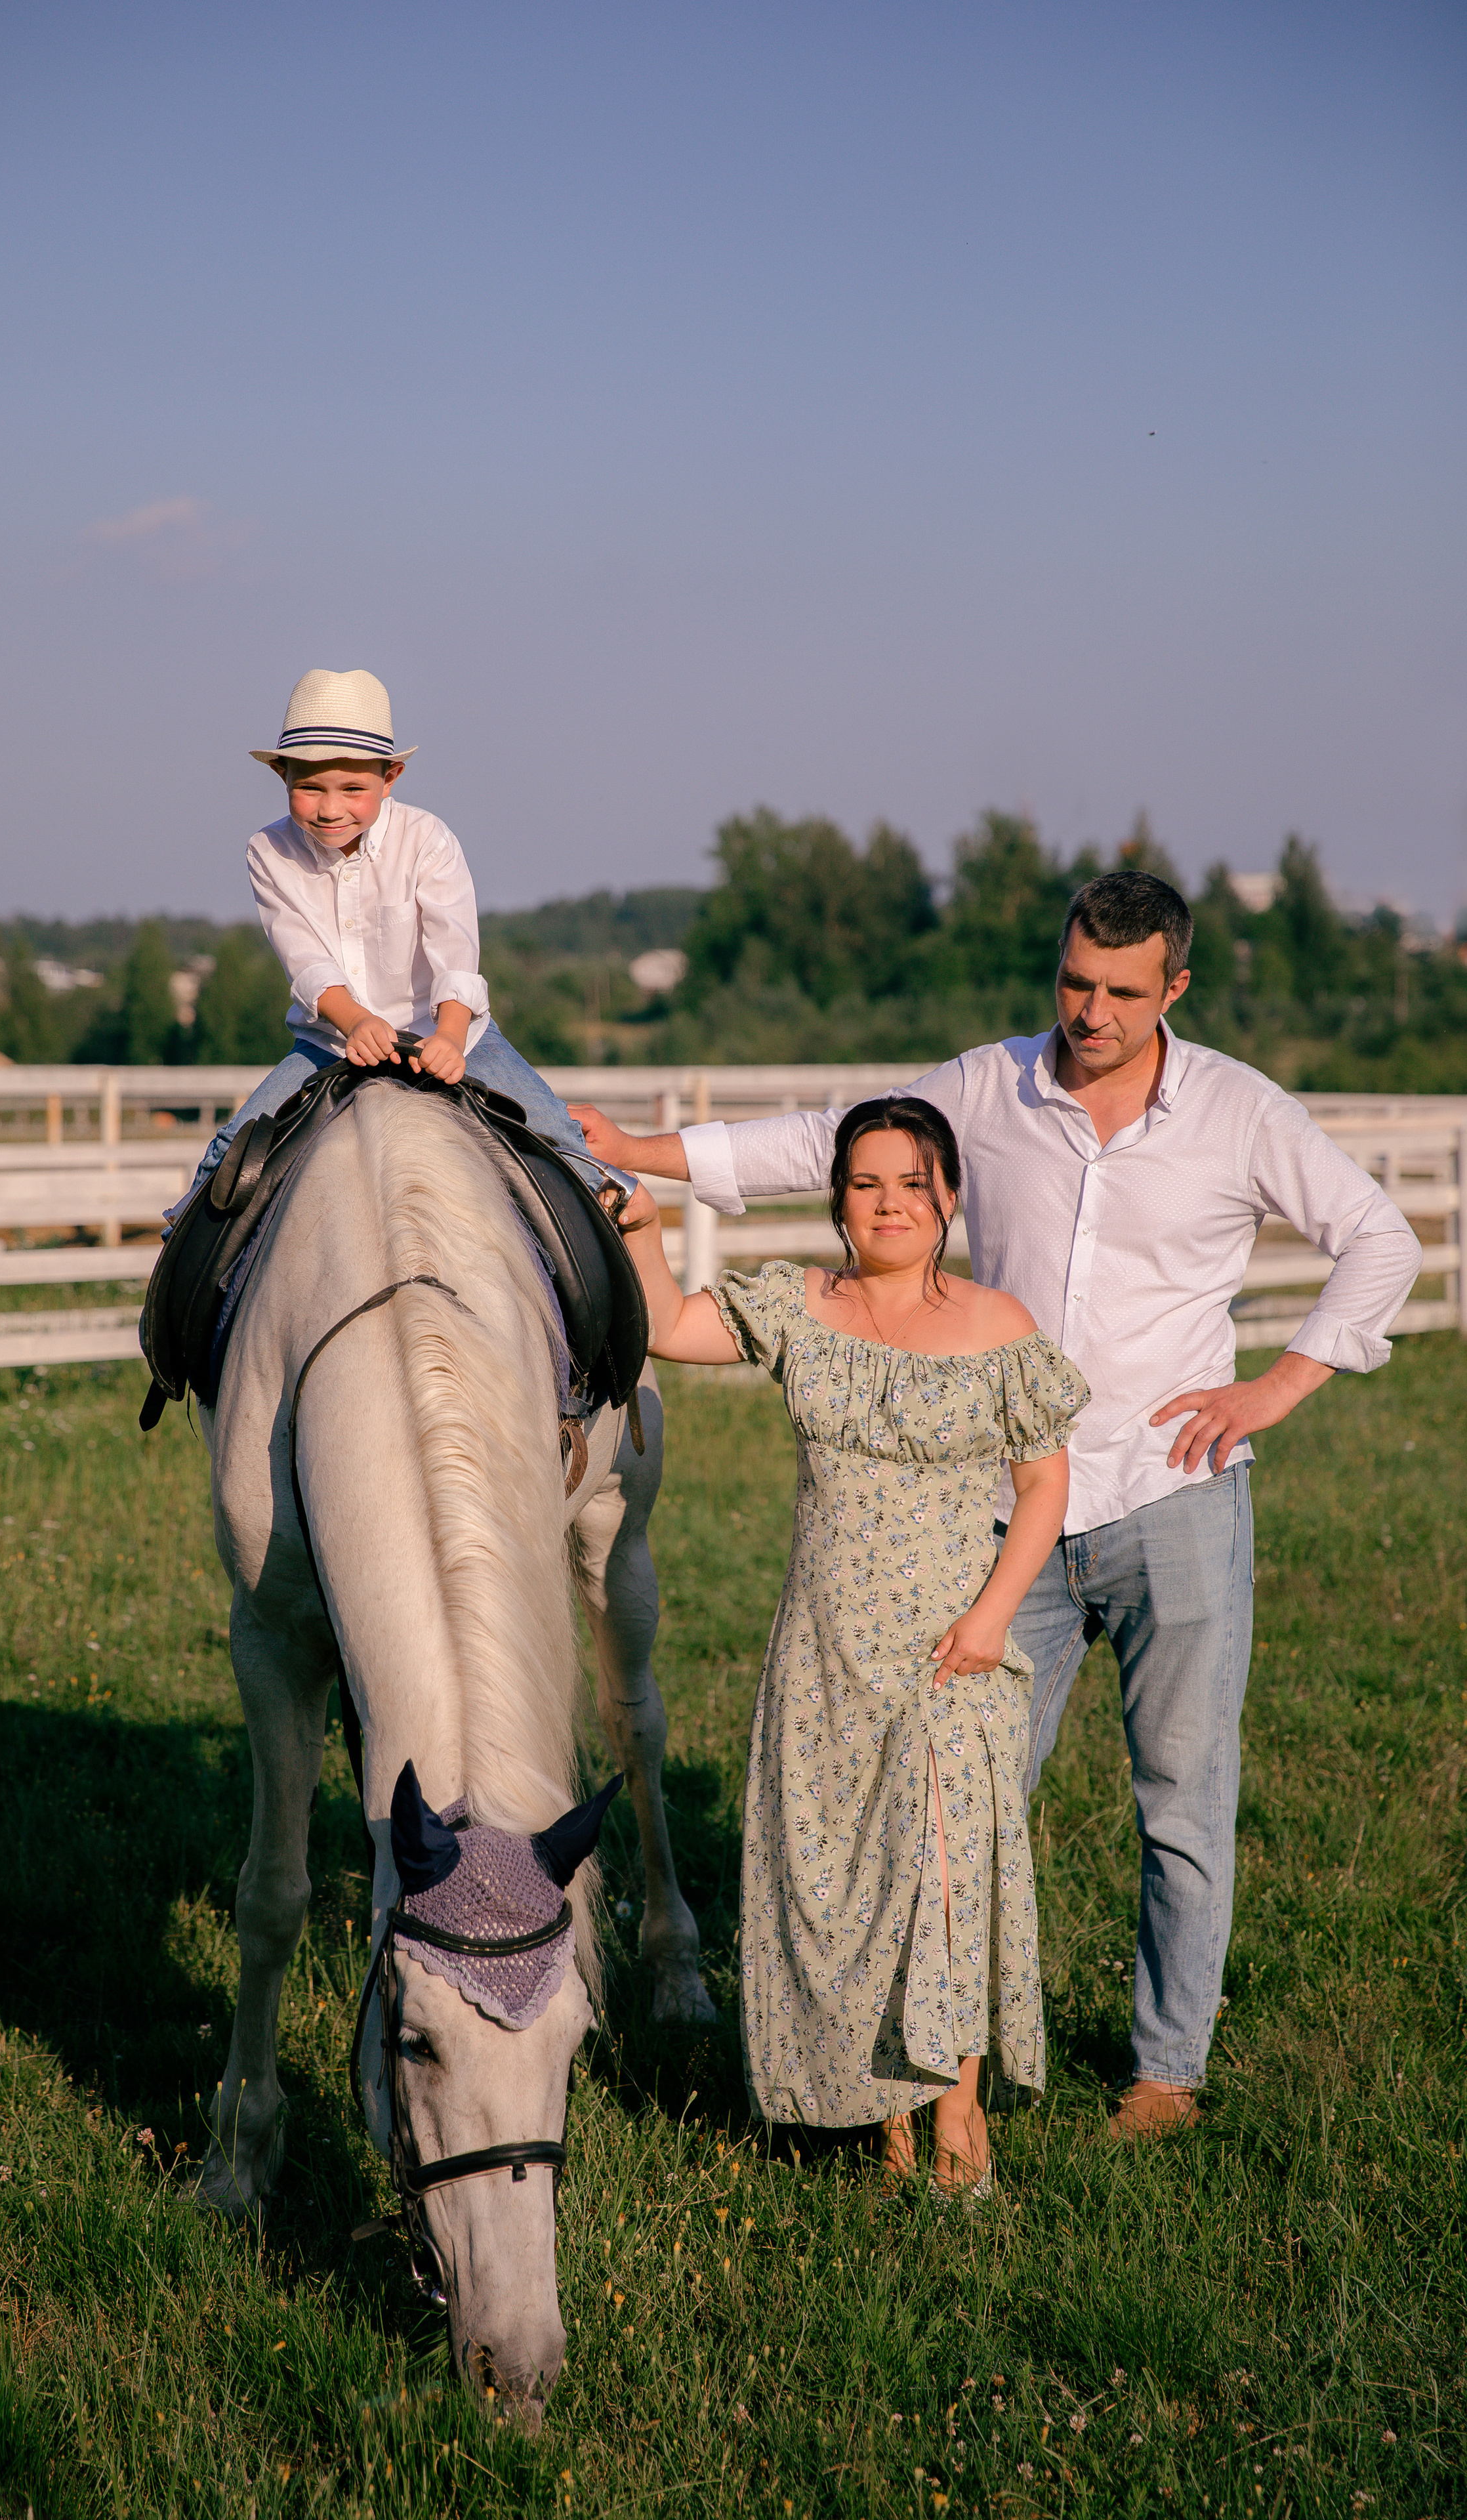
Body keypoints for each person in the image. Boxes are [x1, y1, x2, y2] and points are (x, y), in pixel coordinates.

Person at [577, 870, 1423, 2137]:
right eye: (1076, 980)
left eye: (1122, 992)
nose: (1090, 1010)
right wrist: (647, 1156)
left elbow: (1381, 1240)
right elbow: (831, 1141)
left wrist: (1280, 1386)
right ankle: (921, 2074)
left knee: (1182, 1796)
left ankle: (1165, 2069)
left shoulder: (1241, 1113)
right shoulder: (991, 1088)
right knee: (954, 1817)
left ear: (1174, 990)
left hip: (1171, 1499)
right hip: (992, 1533)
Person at [620, 1098, 1088, 2195]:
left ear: (950, 1200)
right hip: (825, 1648)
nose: (890, 1204)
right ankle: (880, 2118)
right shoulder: (800, 1303)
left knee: (945, 1874)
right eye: (868, 1183)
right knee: (843, 1878)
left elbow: (1044, 1486)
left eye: (913, 1185)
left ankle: (958, 2113)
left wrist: (990, 1619)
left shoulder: (998, 1324)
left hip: (950, 1648)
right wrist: (642, 1232)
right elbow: (672, 1330)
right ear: (839, 1198)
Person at [182, 667, 631, 1204]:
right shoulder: (268, 851)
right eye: (309, 788)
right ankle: (180, 1262)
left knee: (558, 1136)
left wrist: (448, 1037)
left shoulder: (427, 840)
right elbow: (302, 956)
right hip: (331, 1044)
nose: (330, 808)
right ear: (282, 775)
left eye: (353, 788)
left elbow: (455, 951)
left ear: (389, 778)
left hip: (446, 1034)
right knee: (229, 1152)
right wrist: (355, 1022)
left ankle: (616, 1242)